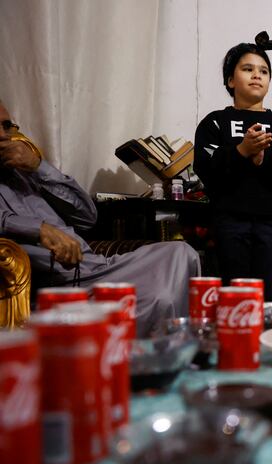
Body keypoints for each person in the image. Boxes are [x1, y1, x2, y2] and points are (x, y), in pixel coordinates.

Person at [0, 100, 200, 336]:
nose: (4, 136)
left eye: (7, 126)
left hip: (96, 265)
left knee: (180, 253)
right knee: (158, 298)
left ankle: (172, 343)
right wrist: (40, 229)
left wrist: (38, 166)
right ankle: (154, 355)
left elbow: (87, 215)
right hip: (63, 281)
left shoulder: (26, 172)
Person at [194, 31, 272, 301]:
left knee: (269, 296)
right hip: (229, 221)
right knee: (236, 294)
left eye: (264, 71)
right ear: (231, 80)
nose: (257, 75)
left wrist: (263, 160)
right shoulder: (215, 122)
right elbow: (205, 167)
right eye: (248, 69)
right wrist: (242, 151)